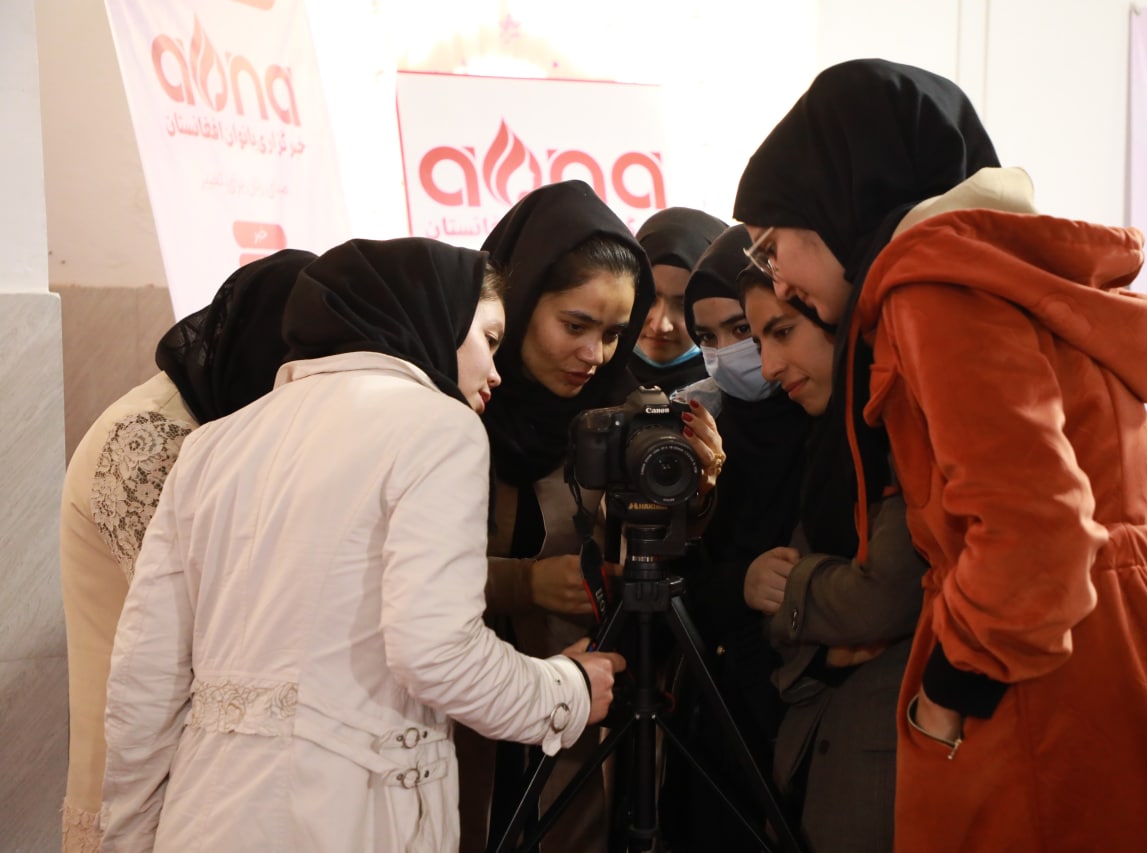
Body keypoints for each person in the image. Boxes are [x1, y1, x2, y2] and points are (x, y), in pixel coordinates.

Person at [734, 58, 1147, 851]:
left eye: (773, 244)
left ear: (838, 199)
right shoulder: (1012, 267)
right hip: (1115, 650)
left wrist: (948, 687)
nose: (782, 281)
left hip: (1035, 682)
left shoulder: (931, 281)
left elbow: (1033, 526)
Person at [99, 238, 624, 852]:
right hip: (345, 816)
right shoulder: (438, 425)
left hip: (203, 815)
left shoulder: (216, 442)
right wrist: (565, 691)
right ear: (434, 321)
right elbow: (436, 653)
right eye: (488, 338)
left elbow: (146, 676)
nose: (496, 370)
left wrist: (127, 839)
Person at [461, 180, 725, 853]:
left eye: (614, 333)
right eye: (574, 325)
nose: (595, 355)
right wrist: (522, 582)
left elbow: (660, 559)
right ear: (518, 303)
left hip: (582, 713)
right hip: (460, 712)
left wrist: (695, 492)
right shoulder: (452, 408)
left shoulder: (626, 412)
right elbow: (395, 573)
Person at [59, 248, 315, 852]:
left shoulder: (215, 430)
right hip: (139, 780)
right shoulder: (148, 438)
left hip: (205, 774)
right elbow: (210, 629)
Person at [740, 271, 926, 853]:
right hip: (813, 761)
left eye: (785, 331)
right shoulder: (828, 442)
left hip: (890, 779)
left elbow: (882, 598)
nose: (769, 366)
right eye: (759, 342)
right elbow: (777, 613)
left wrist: (795, 592)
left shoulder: (903, 428)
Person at [657, 226, 810, 850]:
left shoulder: (827, 420)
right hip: (717, 711)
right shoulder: (697, 419)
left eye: (743, 331)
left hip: (800, 710)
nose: (726, 354)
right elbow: (665, 586)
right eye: (708, 338)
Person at [629, 206, 728, 394]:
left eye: (683, 305)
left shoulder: (736, 395)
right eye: (648, 300)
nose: (660, 325)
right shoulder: (587, 379)